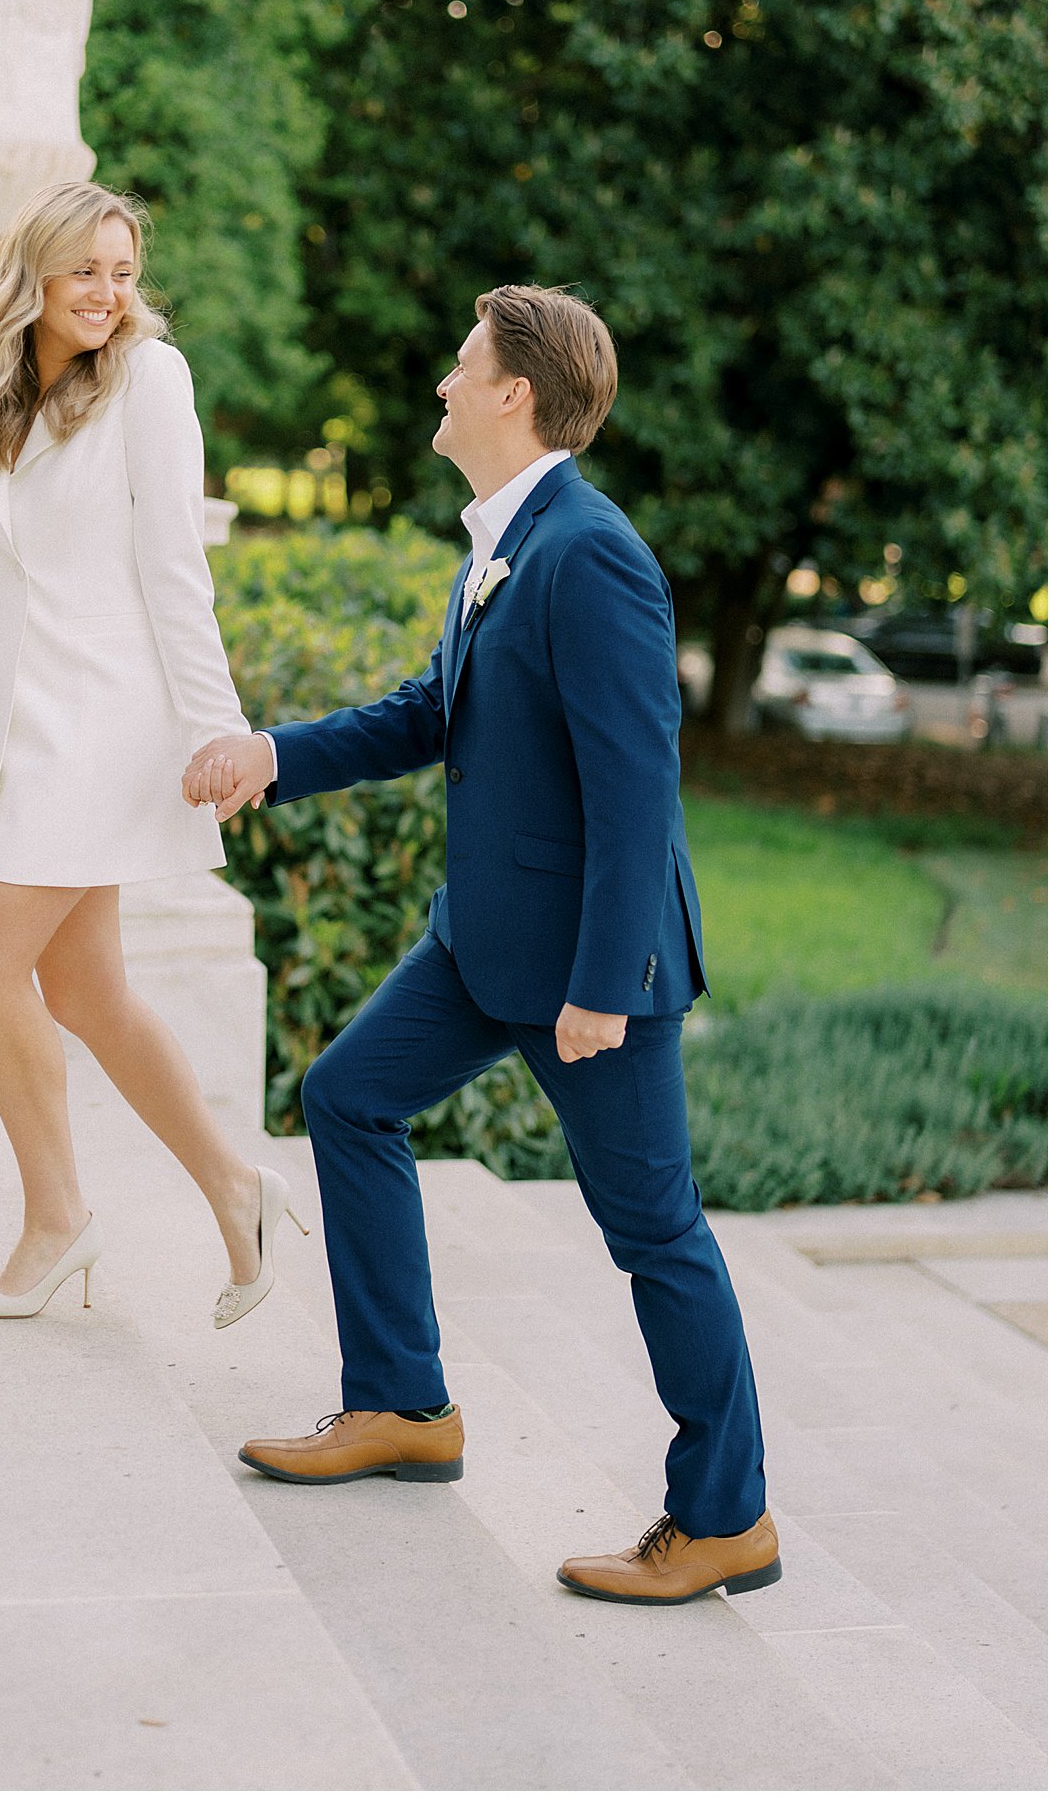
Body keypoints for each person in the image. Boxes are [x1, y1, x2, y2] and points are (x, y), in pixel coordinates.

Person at [184, 284, 779, 1607]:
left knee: (655, 1234)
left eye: (461, 367)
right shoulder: (503, 541)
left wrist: (603, 987)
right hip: (478, 945)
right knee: (346, 1096)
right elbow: (431, 715)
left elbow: (639, 791)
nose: (442, 385)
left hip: (586, 971)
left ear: (513, 393)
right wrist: (271, 756)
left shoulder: (591, 552)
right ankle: (402, 1405)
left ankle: (726, 1514)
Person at [0, 180, 305, 1327]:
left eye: (124, 272)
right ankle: (237, 1189)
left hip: (105, 724)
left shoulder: (151, 380)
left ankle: (58, 1220)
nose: (107, 293)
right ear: (34, 271)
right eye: (86, 270)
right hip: (14, 728)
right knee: (85, 989)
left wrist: (215, 727)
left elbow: (175, 570)